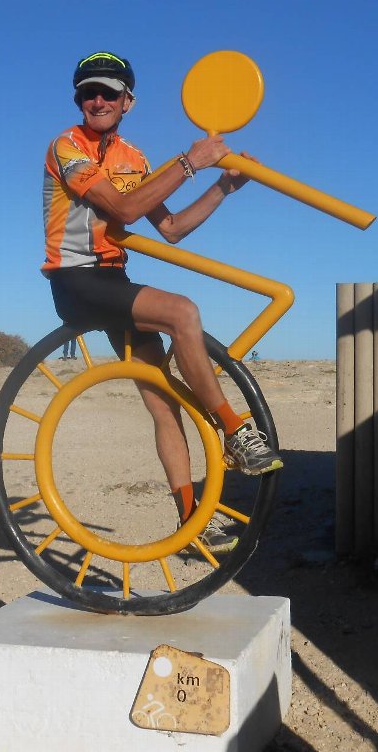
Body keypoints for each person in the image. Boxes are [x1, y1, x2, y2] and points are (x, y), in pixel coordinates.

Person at [42, 50, 284, 554]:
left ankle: (192, 518)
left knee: (164, 401)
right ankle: (235, 430)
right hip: (75, 280)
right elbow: (124, 207)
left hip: (114, 280)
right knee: (182, 312)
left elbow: (171, 228)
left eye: (109, 93)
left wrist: (222, 187)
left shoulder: (135, 159)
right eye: (89, 93)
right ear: (79, 100)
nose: (98, 101)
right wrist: (190, 162)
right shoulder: (67, 146)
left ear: (127, 102)